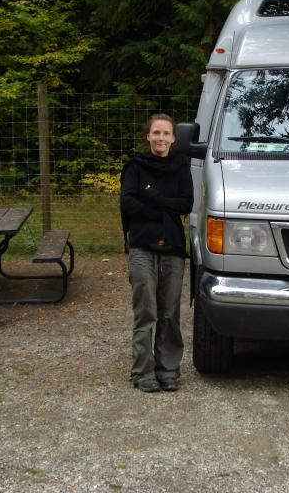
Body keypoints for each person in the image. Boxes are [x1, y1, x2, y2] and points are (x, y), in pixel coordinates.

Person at [120, 113, 193, 393]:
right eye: (156, 133)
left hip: (173, 247)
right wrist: (163, 210)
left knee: (169, 312)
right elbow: (128, 203)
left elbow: (186, 203)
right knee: (146, 310)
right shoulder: (135, 168)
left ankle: (168, 369)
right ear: (148, 136)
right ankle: (143, 371)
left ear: (173, 138)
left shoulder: (181, 168)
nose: (161, 138)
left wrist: (152, 196)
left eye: (166, 133)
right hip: (142, 246)